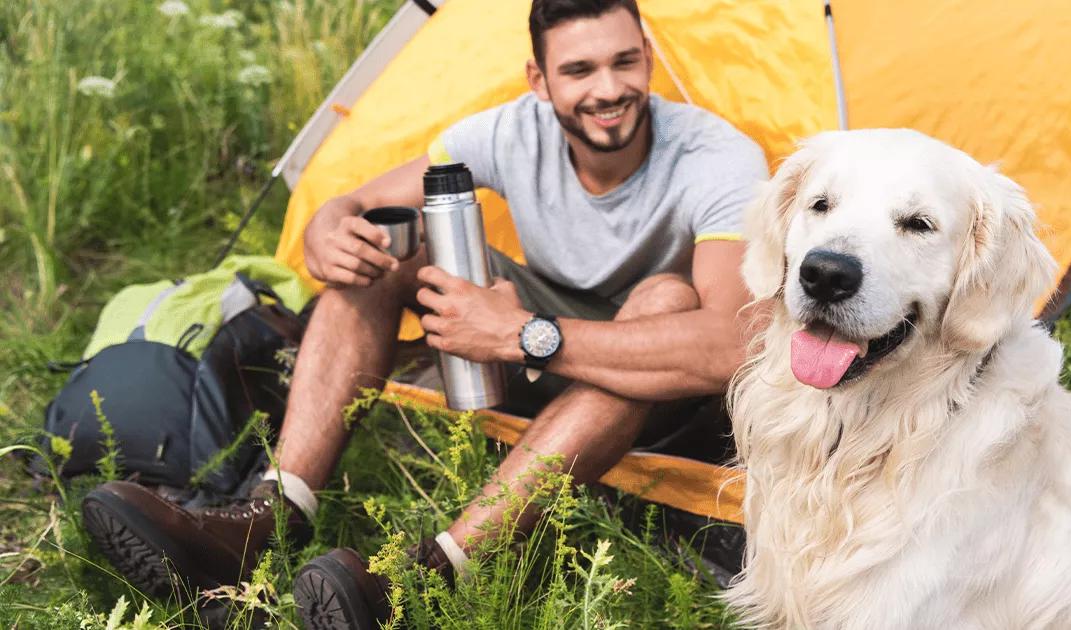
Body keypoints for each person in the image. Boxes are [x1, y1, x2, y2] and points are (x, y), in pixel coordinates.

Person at [81, 0, 767, 627]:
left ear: (646, 56)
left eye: (624, 61)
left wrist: (519, 334)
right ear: (540, 79)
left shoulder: (715, 157)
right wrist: (329, 227)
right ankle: (271, 515)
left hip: (658, 399)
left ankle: (434, 575)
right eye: (579, 70)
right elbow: (350, 206)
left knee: (666, 298)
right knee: (389, 242)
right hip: (541, 364)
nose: (608, 90)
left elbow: (726, 346)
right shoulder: (507, 132)